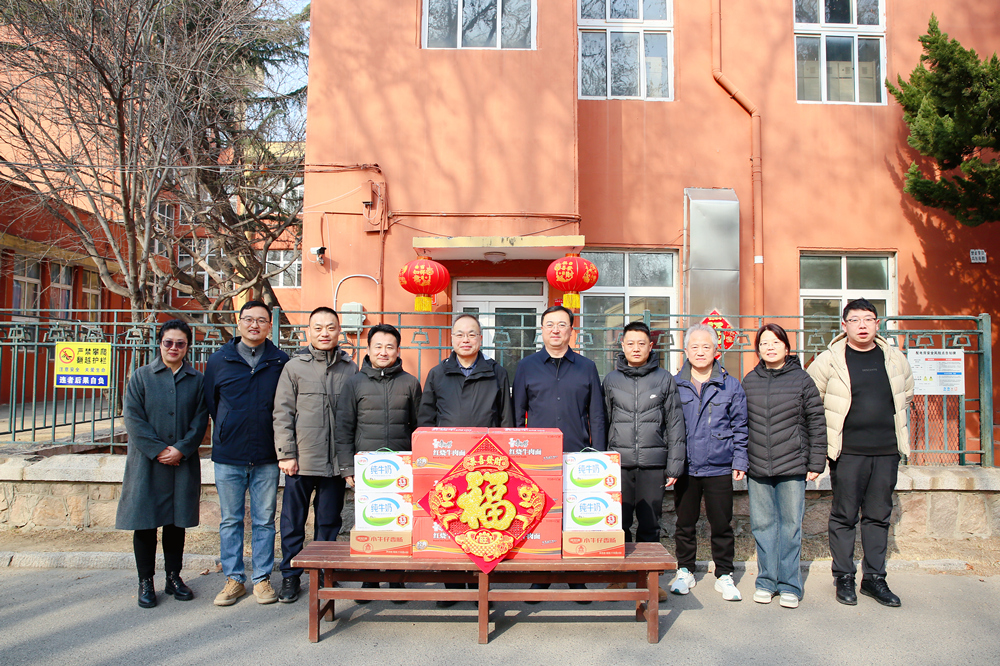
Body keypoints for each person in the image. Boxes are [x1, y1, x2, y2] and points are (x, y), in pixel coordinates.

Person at [807, 298, 913, 608]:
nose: (862, 325)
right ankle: (844, 577)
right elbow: (812, 400)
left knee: (878, 516)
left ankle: (874, 579)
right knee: (844, 515)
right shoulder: (829, 360)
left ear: (877, 323)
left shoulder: (894, 358)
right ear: (844, 325)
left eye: (868, 319)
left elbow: (906, 392)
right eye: (855, 320)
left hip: (886, 450)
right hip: (847, 452)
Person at [418, 313, 514, 607]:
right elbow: (426, 418)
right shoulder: (437, 374)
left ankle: (480, 589)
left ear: (480, 339)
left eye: (472, 334)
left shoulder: (497, 372)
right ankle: (452, 587)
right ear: (452, 338)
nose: (466, 339)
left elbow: (506, 418)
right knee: (450, 521)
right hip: (447, 461)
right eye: (460, 334)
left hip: (486, 464)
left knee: (484, 526)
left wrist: (505, 457)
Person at [513, 304, 606, 603]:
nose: (556, 330)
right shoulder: (526, 366)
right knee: (539, 518)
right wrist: (518, 454)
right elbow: (517, 415)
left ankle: (575, 578)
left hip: (577, 455)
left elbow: (597, 415)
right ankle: (540, 577)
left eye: (562, 325)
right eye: (550, 324)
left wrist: (598, 456)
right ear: (541, 330)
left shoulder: (586, 367)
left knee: (573, 518)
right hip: (536, 458)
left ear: (571, 331)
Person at [116, 319, 209, 608]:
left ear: (187, 347)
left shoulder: (197, 380)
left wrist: (181, 449)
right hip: (147, 463)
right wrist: (158, 450)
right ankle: (145, 581)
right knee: (145, 523)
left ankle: (173, 577)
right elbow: (133, 418)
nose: (173, 348)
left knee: (175, 523)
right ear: (160, 343)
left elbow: (200, 420)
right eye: (168, 342)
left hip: (182, 463)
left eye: (180, 343)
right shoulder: (142, 377)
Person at [204, 300, 289, 606]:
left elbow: (285, 405)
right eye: (249, 319)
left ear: (269, 325)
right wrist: (228, 427)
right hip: (229, 454)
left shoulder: (280, 361)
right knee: (231, 519)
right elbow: (212, 403)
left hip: (266, 454)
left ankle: (262, 579)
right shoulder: (219, 360)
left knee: (265, 519)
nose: (255, 325)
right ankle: (234, 579)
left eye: (261, 320)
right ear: (238, 323)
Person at [272, 307, 357, 603]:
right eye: (318, 327)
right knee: (293, 521)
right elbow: (282, 412)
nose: (324, 333)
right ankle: (290, 575)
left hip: (335, 462)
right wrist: (286, 453)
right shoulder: (294, 367)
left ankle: (324, 572)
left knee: (329, 520)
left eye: (330, 327)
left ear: (338, 331)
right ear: (308, 331)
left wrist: (349, 460)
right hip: (302, 459)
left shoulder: (350, 368)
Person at [741, 323, 827, 609]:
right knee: (762, 525)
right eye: (764, 343)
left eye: (775, 342)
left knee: (790, 526)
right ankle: (766, 581)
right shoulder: (750, 380)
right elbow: (740, 423)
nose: (770, 347)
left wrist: (816, 461)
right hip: (758, 466)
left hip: (792, 465)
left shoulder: (802, 380)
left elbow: (816, 422)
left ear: (787, 348)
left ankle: (790, 584)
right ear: (758, 349)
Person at [335, 323, 421, 603]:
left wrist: (417, 464)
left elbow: (419, 427)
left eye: (389, 347)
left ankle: (397, 579)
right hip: (366, 468)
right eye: (378, 346)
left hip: (402, 467)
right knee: (369, 522)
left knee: (398, 522)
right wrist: (347, 467)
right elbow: (344, 428)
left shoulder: (410, 383)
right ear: (368, 349)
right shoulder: (354, 383)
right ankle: (369, 578)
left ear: (398, 350)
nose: (384, 352)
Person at [602, 321, 686, 602]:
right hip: (619, 464)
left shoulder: (664, 379)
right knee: (619, 523)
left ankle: (650, 581)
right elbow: (604, 421)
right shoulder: (611, 380)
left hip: (653, 464)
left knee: (650, 524)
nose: (636, 348)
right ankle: (620, 578)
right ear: (622, 346)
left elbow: (675, 423)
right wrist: (603, 461)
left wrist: (674, 464)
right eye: (630, 343)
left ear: (651, 346)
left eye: (641, 343)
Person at [670, 323, 748, 601]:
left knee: (722, 523)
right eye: (695, 346)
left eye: (706, 346)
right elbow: (668, 426)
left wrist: (740, 460)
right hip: (686, 466)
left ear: (716, 350)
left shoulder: (730, 385)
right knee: (684, 523)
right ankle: (685, 570)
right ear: (686, 350)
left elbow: (740, 426)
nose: (700, 351)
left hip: (719, 465)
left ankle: (724, 573)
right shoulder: (674, 384)